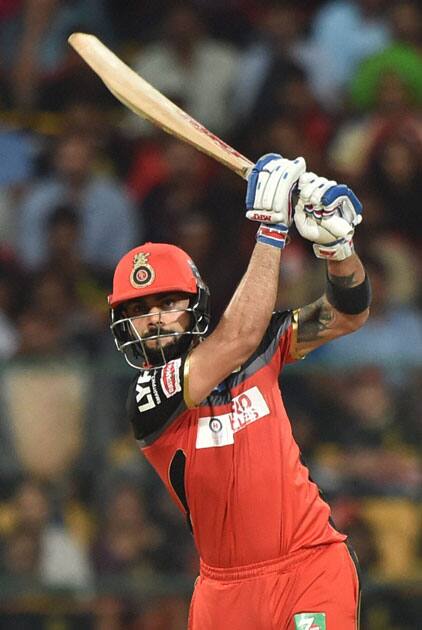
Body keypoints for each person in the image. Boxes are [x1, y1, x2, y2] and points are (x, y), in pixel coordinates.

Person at [108, 154, 371, 629]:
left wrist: (338, 250)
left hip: (309, 563)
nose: (155, 318)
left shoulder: (258, 347)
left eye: (168, 302)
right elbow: (236, 338)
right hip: (223, 592)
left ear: (195, 306)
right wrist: (271, 229)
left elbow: (347, 312)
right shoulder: (147, 398)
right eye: (139, 309)